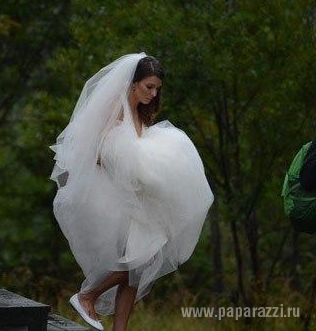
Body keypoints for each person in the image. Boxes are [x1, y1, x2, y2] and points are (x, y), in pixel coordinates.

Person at [50, 53, 214, 330]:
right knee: (141, 260)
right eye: (149, 86)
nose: (153, 93)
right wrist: (125, 169)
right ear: (133, 83)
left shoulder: (141, 113)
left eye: (157, 88)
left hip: (137, 199)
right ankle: (87, 295)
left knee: (136, 270)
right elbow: (92, 152)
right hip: (115, 197)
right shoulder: (114, 110)